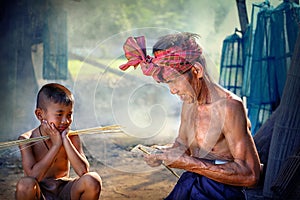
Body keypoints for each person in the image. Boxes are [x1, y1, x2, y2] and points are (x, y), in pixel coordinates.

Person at [119, 33, 261, 199]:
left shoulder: (229, 107)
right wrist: (162, 153)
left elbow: (251, 174)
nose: (172, 90)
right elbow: (182, 144)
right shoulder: (189, 103)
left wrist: (189, 163)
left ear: (196, 70)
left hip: (221, 192)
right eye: (167, 83)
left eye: (174, 80)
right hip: (191, 184)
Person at [15, 83, 102, 200]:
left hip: (65, 189)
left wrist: (65, 140)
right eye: (59, 115)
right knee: (25, 184)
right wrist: (56, 145)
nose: (65, 121)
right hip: (41, 191)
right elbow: (33, 176)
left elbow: (83, 171)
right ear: (40, 115)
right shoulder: (27, 140)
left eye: (69, 114)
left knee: (92, 179)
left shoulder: (71, 136)